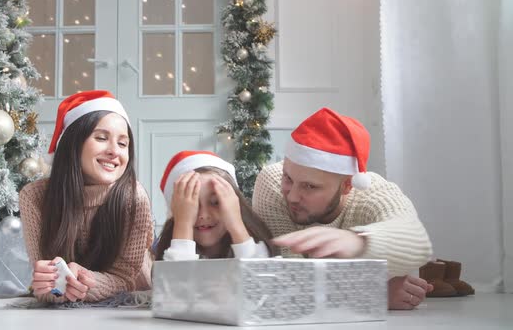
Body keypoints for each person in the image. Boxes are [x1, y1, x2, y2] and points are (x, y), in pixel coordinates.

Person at [252, 108, 433, 310]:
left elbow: (417, 240)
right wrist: (372, 292)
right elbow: (287, 275)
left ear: (347, 185)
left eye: (310, 187)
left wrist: (358, 241)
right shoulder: (272, 182)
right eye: (288, 178)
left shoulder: (375, 194)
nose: (292, 196)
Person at [19, 90, 154, 303]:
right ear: (73, 143)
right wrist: (52, 288)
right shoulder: (34, 197)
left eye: (123, 143)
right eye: (101, 138)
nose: (114, 151)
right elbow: (49, 285)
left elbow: (125, 279)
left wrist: (86, 282)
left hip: (130, 306)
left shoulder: (134, 197)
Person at [155, 151, 278, 260]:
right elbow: (175, 283)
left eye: (215, 202)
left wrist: (236, 226)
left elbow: (259, 279)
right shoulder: (166, 249)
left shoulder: (260, 245)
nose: (204, 215)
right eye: (192, 205)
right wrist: (183, 226)